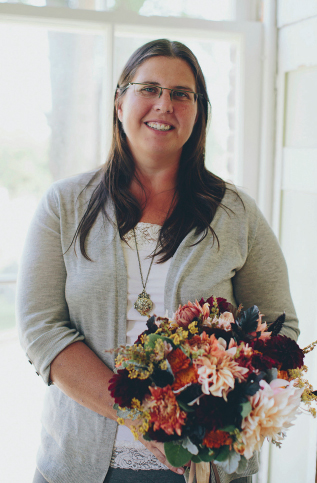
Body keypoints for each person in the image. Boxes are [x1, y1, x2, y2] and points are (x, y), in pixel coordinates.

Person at [16, 39, 299, 483]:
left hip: (209, 469)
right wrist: (141, 418)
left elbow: (279, 329)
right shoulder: (63, 205)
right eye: (148, 88)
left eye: (181, 94)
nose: (164, 104)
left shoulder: (237, 213)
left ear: (198, 111)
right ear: (119, 101)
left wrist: (216, 409)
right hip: (81, 467)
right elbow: (40, 328)